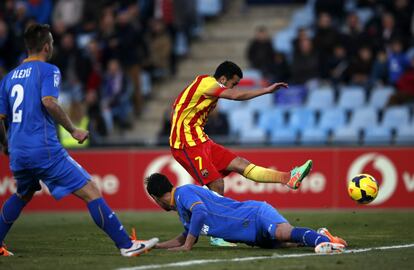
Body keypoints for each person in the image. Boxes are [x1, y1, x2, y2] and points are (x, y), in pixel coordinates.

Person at [0, 23, 158, 257]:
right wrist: (73, 129)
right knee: (91, 190)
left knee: (23, 193)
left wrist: (5, 144)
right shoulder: (48, 70)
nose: (52, 46)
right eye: (52, 43)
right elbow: (49, 102)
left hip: (19, 151)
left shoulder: (9, 78)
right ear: (46, 46)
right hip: (43, 149)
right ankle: (127, 245)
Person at [169, 61, 312, 247]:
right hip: (185, 144)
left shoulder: (205, 86)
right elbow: (236, 96)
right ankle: (217, 235)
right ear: (222, 79)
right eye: (233, 83)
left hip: (200, 140)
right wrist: (266, 91)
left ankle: (287, 178)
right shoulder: (207, 84)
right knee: (217, 183)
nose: (233, 87)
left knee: (240, 163)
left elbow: (181, 107)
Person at [145, 173, 347, 254]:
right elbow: (187, 234)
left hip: (254, 215)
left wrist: (187, 246)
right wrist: (157, 246)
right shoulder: (181, 206)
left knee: (283, 233)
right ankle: (324, 235)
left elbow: (199, 212)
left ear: (155, 197)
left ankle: (324, 240)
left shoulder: (183, 193)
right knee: (289, 244)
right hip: (250, 235)